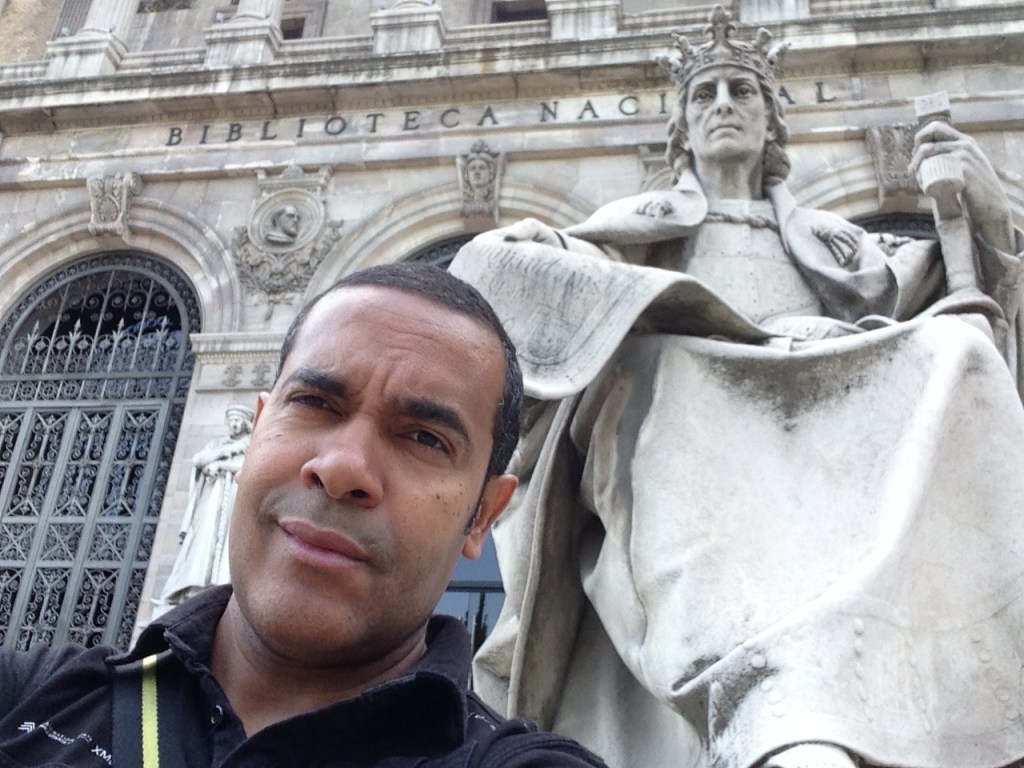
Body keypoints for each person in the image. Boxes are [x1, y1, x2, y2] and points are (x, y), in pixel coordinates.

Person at [449, 6, 1024, 768]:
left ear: (771, 122)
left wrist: (987, 219)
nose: (723, 104)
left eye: (742, 91)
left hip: (824, 412)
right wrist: (528, 249)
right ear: (683, 128)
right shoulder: (638, 228)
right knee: (656, 373)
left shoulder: (834, 244)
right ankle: (760, 693)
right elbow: (537, 291)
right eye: (705, 94)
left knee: (959, 351)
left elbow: (959, 302)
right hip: (690, 408)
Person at [0, 262, 608, 768]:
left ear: (482, 515)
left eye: (424, 438)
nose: (343, 468)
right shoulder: (28, 696)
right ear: (256, 431)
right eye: (315, 402)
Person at [159, 404, 254, 607]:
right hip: (212, 500)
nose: (234, 424)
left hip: (234, 501)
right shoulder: (218, 444)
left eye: (238, 421)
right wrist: (225, 452)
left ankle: (223, 586)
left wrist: (220, 465)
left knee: (228, 540)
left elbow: (248, 467)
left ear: (245, 424)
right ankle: (195, 585)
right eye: (231, 421)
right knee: (204, 538)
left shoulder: (250, 445)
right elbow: (198, 460)